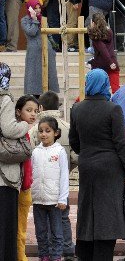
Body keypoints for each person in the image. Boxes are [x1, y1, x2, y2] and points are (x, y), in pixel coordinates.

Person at [69, 70, 125, 261]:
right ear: (105, 84)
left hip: (87, 165)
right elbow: (121, 143)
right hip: (110, 168)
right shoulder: (113, 109)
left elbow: (74, 141)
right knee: (108, 213)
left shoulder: (77, 109)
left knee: (87, 212)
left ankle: (85, 254)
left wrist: (88, 152)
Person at [32, 91, 77, 260]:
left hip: (56, 198)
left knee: (58, 231)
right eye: (41, 131)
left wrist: (63, 197)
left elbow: (64, 175)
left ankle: (58, 255)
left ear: (55, 133)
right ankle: (45, 255)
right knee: (41, 232)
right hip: (39, 198)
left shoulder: (58, 151)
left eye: (47, 131)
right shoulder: (36, 151)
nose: (43, 134)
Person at [0, 63, 30, 261]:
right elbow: (9, 129)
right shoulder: (4, 99)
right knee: (6, 229)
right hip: (4, 177)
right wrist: (25, 124)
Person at [15, 95, 38, 261]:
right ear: (18, 111)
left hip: (25, 186)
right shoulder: (18, 133)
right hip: (19, 187)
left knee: (22, 227)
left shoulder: (27, 134)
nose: (33, 114)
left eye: (36, 111)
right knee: (19, 229)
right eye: (28, 110)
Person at [22, 0, 59, 95]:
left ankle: (50, 97)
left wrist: (54, 46)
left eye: (39, 8)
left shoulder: (43, 19)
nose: (38, 10)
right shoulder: (25, 20)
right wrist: (34, 20)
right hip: (34, 51)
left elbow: (49, 34)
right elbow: (31, 32)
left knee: (50, 73)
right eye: (35, 8)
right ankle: (35, 96)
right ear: (30, 9)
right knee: (34, 74)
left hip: (47, 49)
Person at [88, 12, 120, 92]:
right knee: (116, 89)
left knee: (90, 88)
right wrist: (111, 62)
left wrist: (109, 62)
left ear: (93, 23)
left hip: (100, 65)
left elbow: (103, 49)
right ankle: (119, 103)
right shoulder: (109, 31)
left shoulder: (95, 34)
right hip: (113, 62)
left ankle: (77, 103)